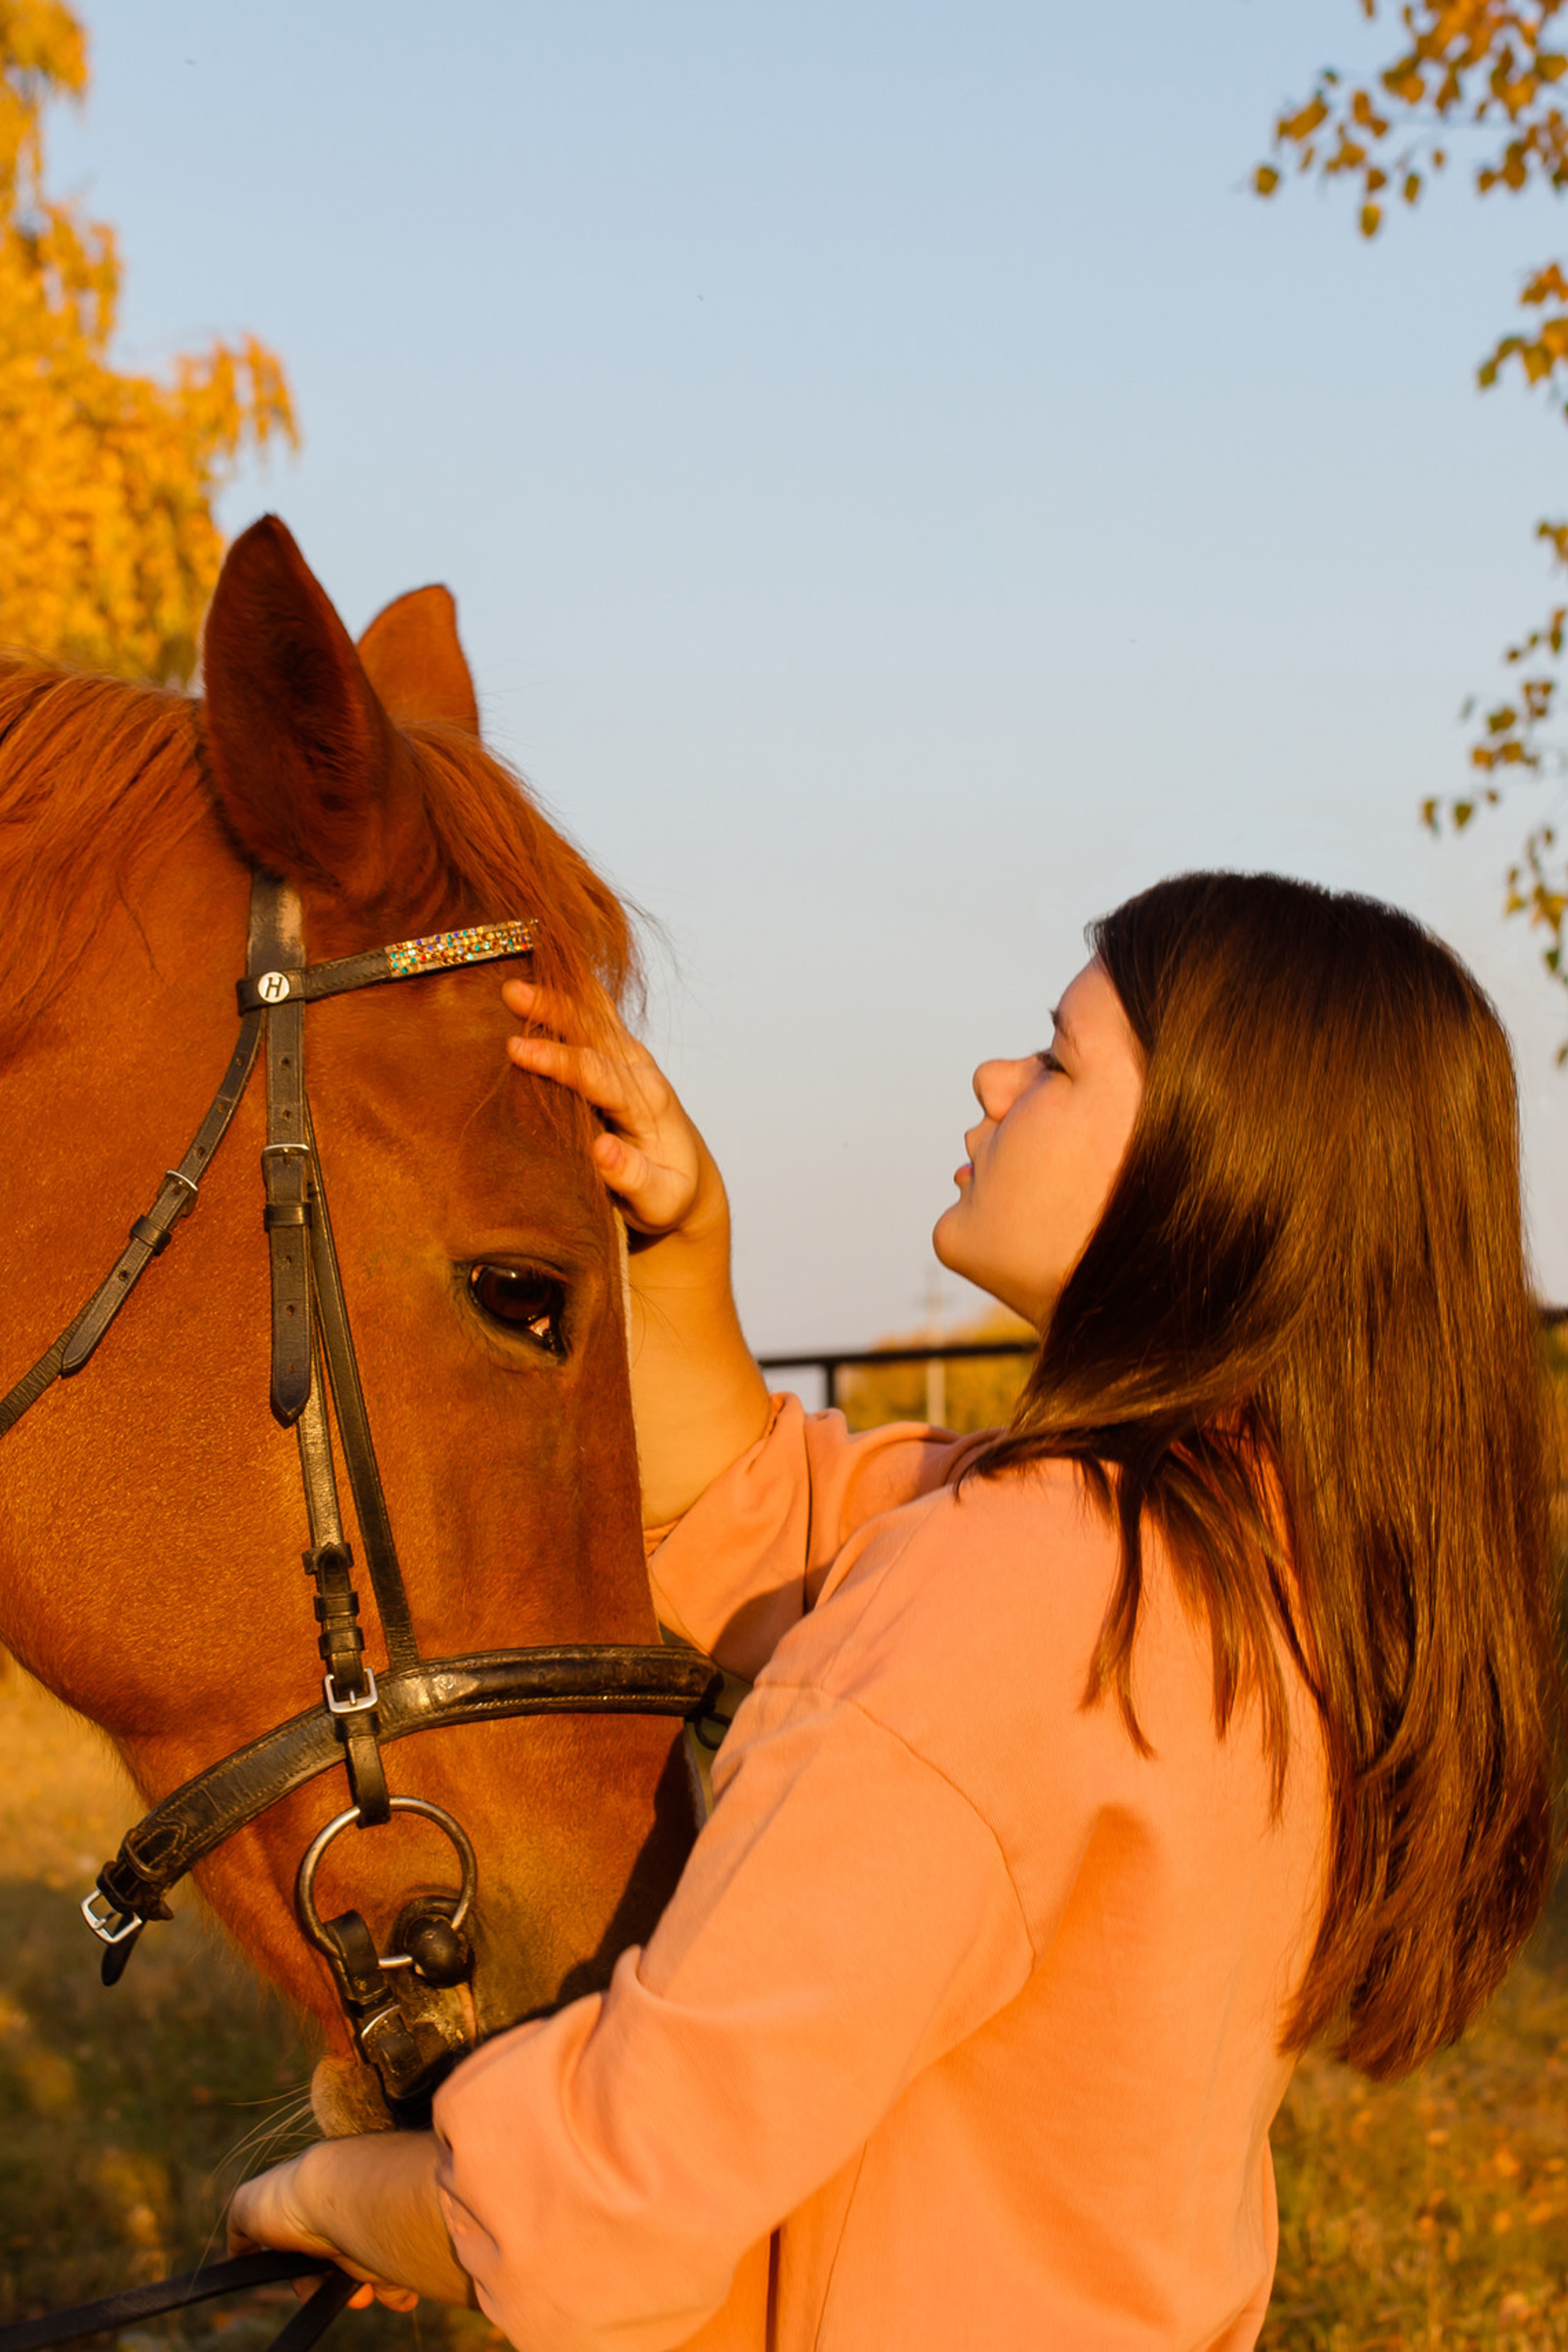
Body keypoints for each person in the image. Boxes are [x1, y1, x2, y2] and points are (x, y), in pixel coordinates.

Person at [230, 871, 1563, 2351]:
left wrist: (328, 2192)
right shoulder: (1253, 1558)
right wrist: (682, 1234)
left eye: (1057, 1060)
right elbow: (768, 1522)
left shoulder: (1026, 1581)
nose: (996, 1077)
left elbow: (613, 2203)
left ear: (1214, 1174)